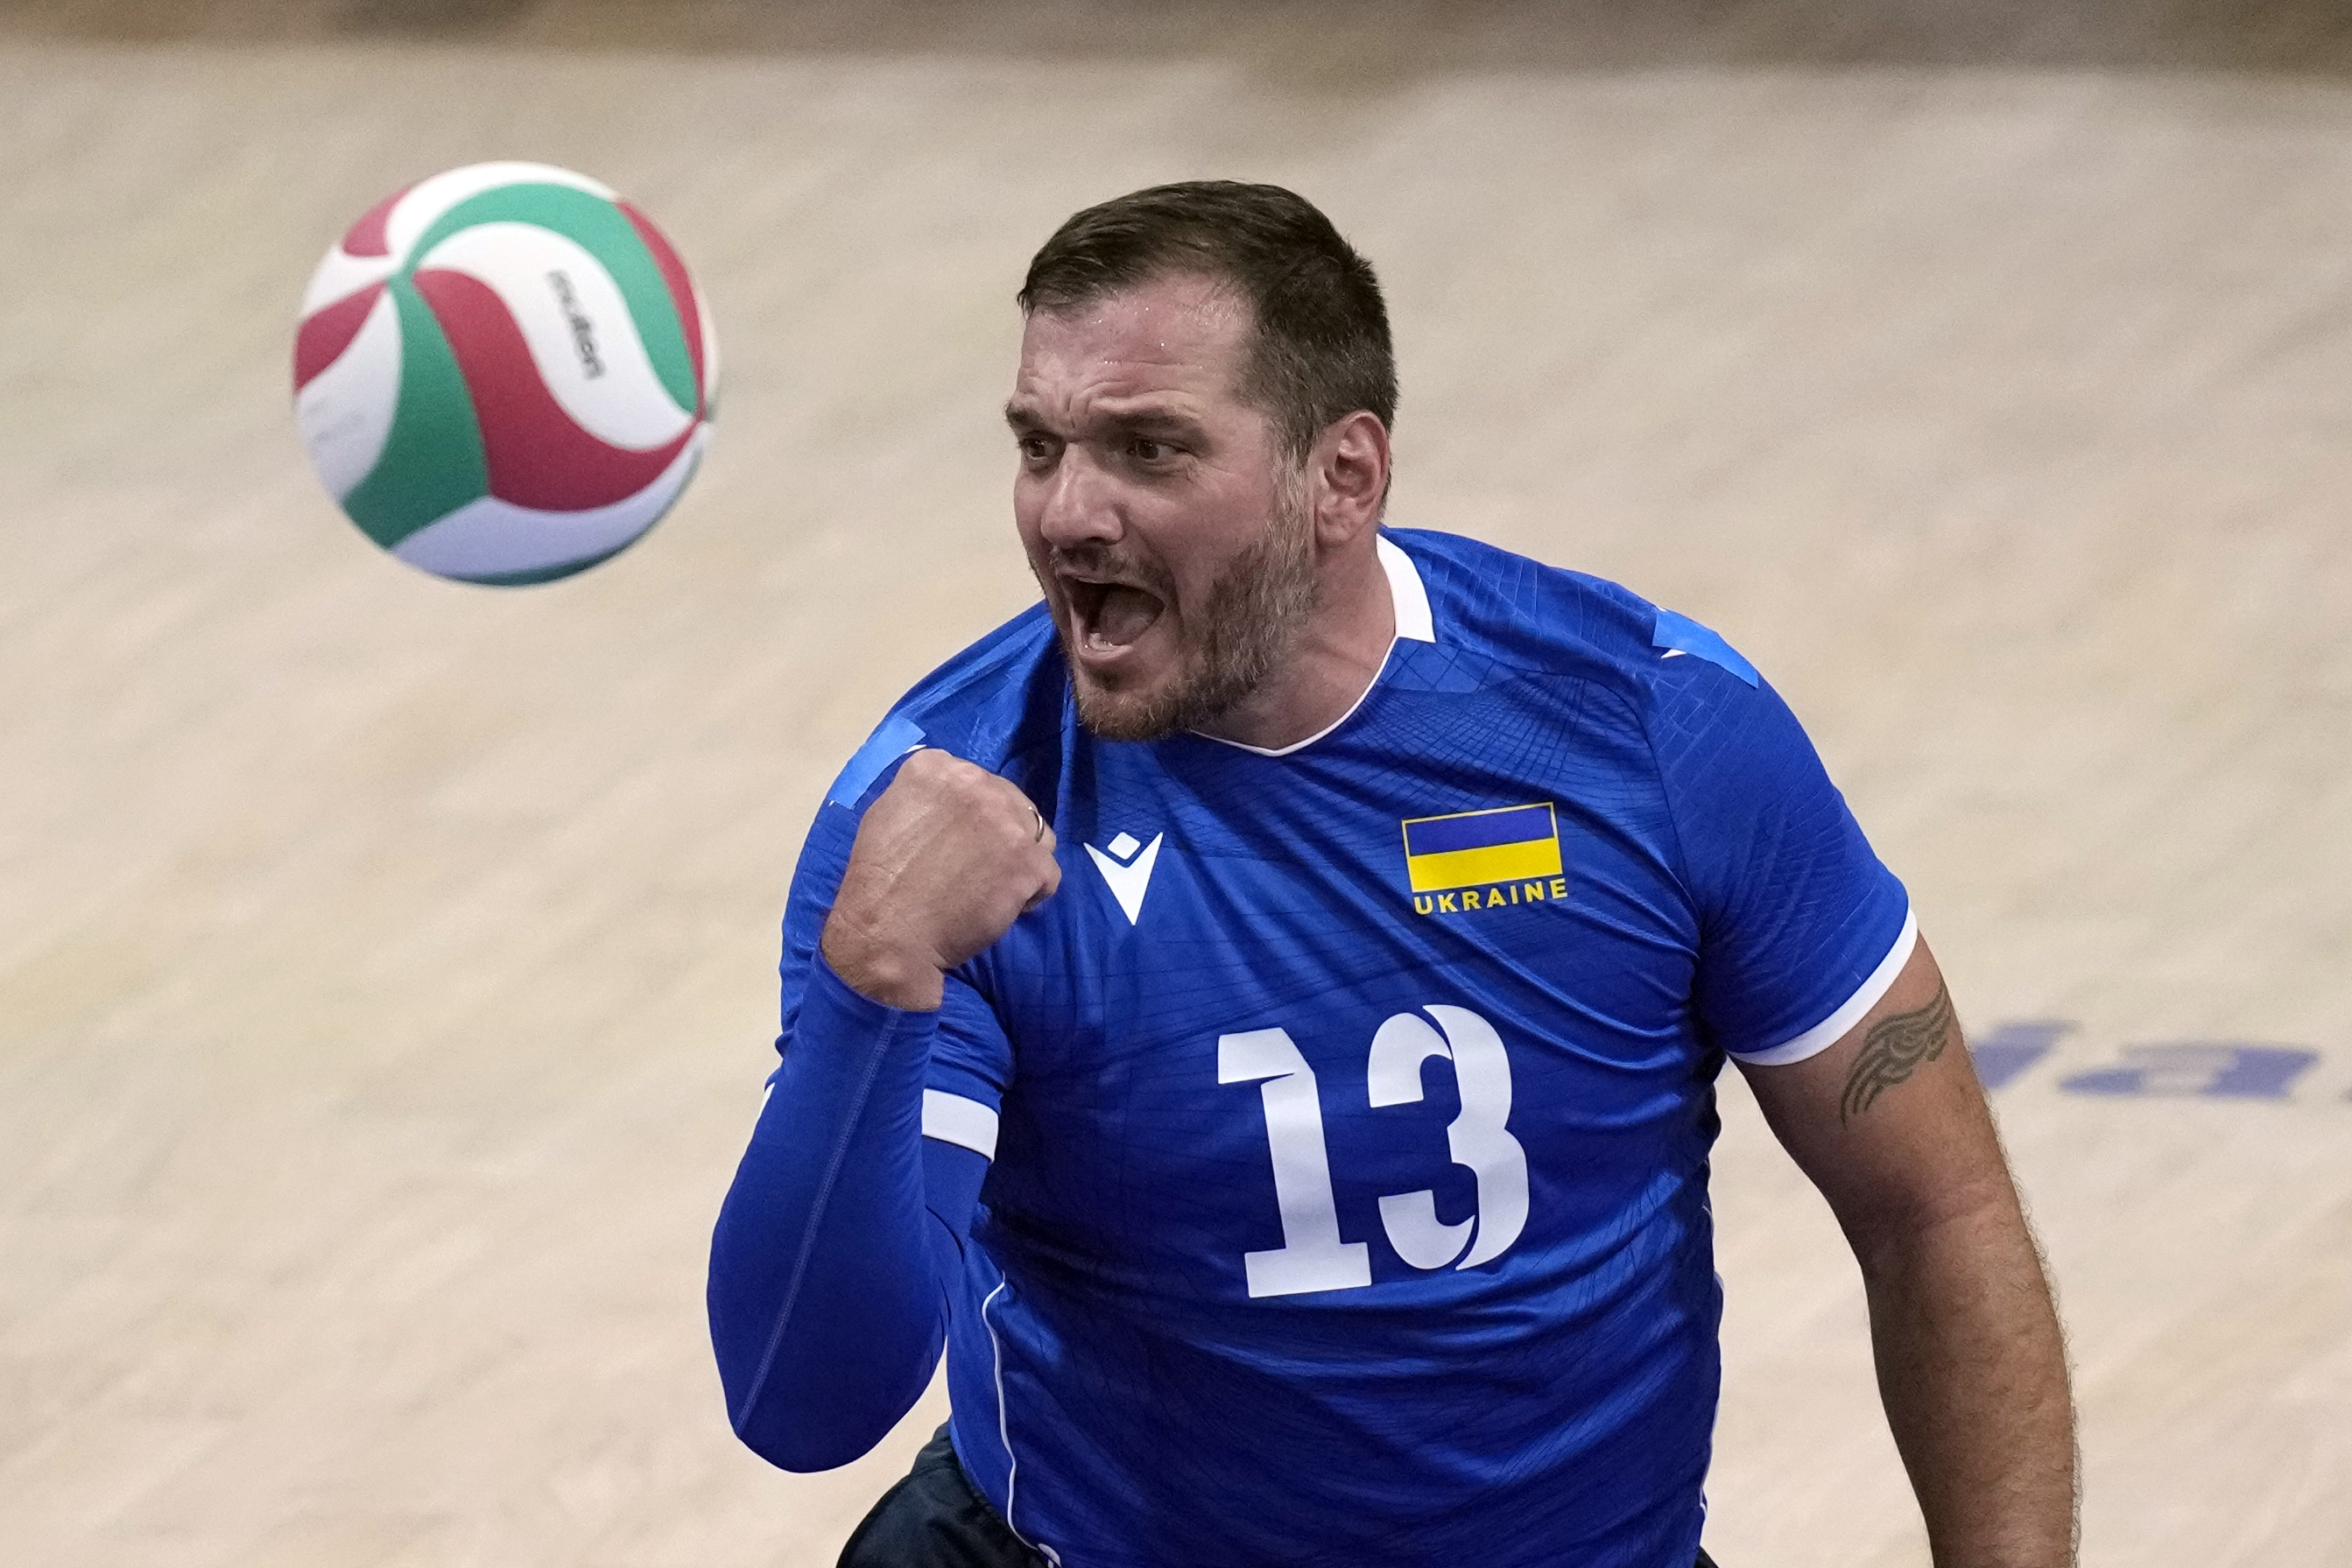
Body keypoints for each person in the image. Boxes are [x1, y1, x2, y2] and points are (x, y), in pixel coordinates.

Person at [707, 181, 2075, 1568]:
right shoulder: (956, 819)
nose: (1067, 512)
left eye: (1147, 449)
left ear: (1342, 478)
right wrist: (872, 988)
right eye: (1039, 444)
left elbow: (1933, 1216)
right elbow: (804, 1406)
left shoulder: (1647, 733)